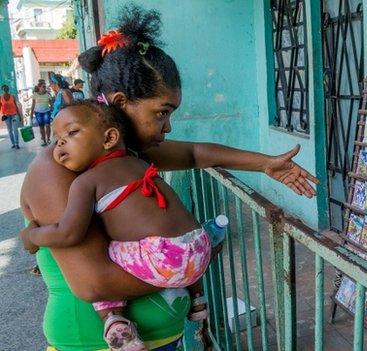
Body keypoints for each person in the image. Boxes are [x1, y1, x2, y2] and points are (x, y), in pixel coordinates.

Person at [20, 5, 318, 351]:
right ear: (121, 103)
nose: (168, 126)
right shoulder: (57, 167)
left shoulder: (117, 155)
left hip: (163, 339)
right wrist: (187, 261)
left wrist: (266, 163)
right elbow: (93, 283)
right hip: (90, 344)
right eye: (161, 113)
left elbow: (195, 154)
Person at [24, 100, 218, 350]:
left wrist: (34, 236)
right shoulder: (140, 163)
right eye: (56, 137)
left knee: (108, 253)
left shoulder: (86, 182)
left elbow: (68, 234)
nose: (60, 143)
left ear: (110, 138)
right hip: (198, 249)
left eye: (71, 133)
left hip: (167, 262)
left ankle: (114, 320)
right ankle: (198, 299)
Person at [1, 84, 23, 149]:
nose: (6, 89)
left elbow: (16, 106)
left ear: (8, 89)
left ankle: (17, 144)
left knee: (15, 129)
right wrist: (2, 115)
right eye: (4, 88)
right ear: (2, 90)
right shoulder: (1, 98)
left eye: (7, 88)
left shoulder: (12, 96)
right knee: (9, 130)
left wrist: (19, 116)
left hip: (14, 115)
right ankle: (13, 143)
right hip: (6, 116)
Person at [31, 81, 53, 146]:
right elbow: (33, 105)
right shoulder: (35, 95)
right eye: (43, 87)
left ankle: (48, 139)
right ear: (39, 87)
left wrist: (52, 109)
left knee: (48, 125)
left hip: (47, 112)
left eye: (45, 87)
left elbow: (51, 104)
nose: (44, 88)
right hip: (38, 113)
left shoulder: (48, 95)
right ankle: (44, 140)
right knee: (41, 127)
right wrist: (31, 114)